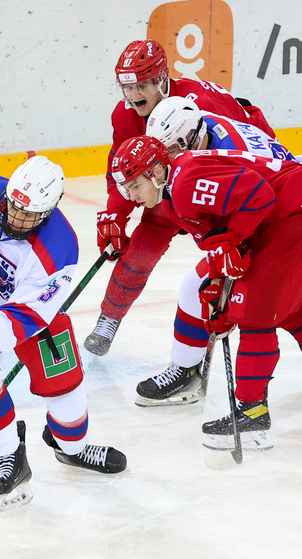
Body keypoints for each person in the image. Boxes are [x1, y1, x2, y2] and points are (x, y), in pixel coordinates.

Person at [0, 156, 127, 512]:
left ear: (48, 213)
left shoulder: (60, 250)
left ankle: (72, 449)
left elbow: (19, 323)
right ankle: (10, 457)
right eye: (13, 207)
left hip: (25, 314)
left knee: (66, 392)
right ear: (7, 194)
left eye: (29, 215)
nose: (16, 219)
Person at [84, 39, 276, 360]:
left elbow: (245, 154)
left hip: (232, 173)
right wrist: (114, 216)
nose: (132, 96)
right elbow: (126, 166)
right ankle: (109, 319)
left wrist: (234, 234)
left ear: (161, 79)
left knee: (238, 254)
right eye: (126, 87)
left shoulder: (202, 103)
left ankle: (244, 315)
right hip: (174, 180)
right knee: (144, 244)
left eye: (142, 85)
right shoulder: (125, 115)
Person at [111, 135, 302, 449]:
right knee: (290, 309)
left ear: (156, 173)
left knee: (256, 313)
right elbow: (217, 241)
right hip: (281, 217)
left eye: (134, 186)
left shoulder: (186, 181)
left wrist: (232, 240)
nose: (131, 196)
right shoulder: (172, 201)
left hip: (289, 211)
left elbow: (259, 195)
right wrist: (216, 290)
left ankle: (252, 417)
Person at [132, 96, 298, 405]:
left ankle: (204, 383)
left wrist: (231, 258)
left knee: (251, 309)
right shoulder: (200, 128)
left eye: (167, 152)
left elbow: (257, 202)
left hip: (283, 215)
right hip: (278, 210)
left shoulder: (210, 159)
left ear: (185, 141)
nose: (160, 162)